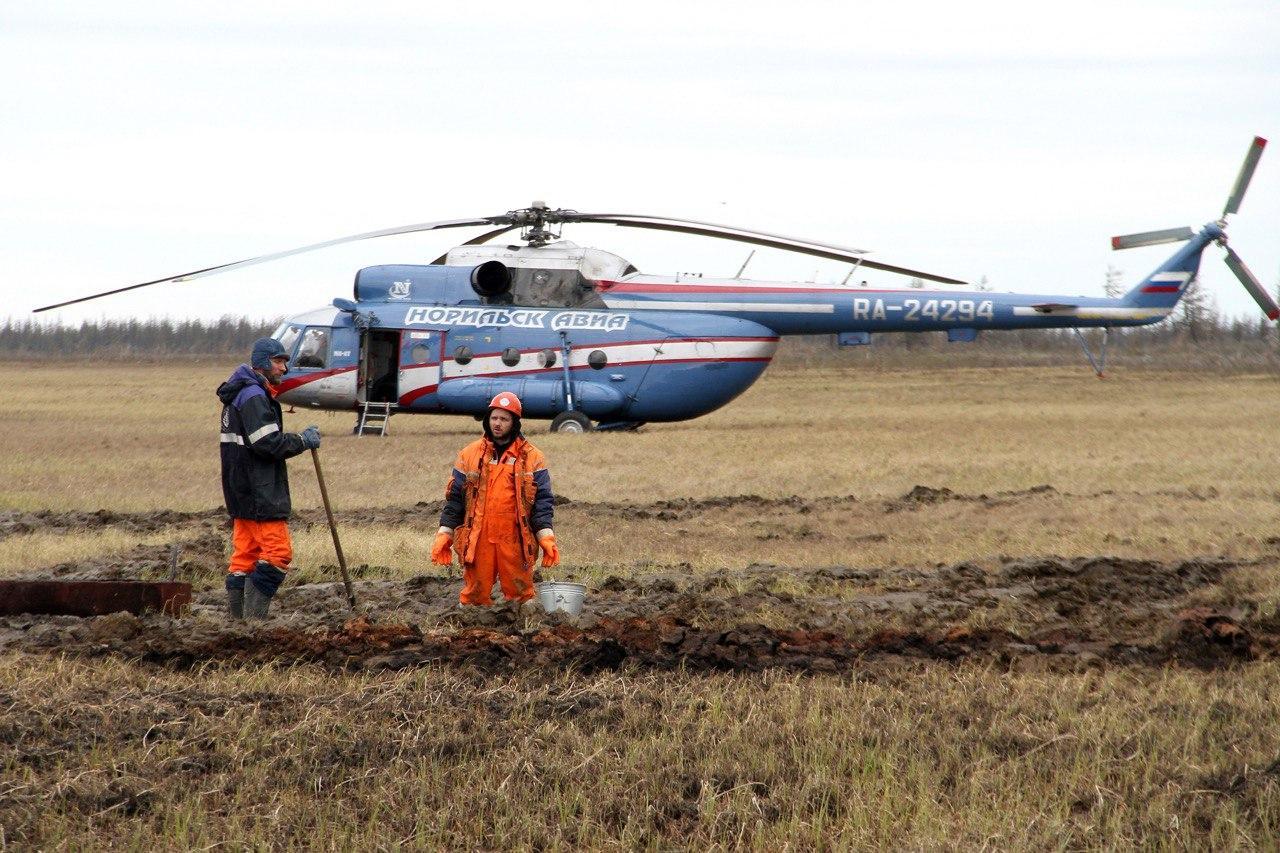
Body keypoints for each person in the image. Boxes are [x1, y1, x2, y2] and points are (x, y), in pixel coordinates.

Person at [217, 337, 321, 620]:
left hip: (240, 489)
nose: (284, 368)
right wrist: (302, 440)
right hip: (260, 490)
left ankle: (237, 624)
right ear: (262, 363)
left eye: (285, 362)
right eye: (278, 361)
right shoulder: (253, 396)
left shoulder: (240, 393)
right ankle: (254, 623)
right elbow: (266, 443)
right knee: (277, 554)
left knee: (244, 557)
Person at [431, 392, 558, 605]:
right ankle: (472, 633)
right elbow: (455, 500)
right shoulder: (469, 454)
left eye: (504, 419)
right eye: (494, 418)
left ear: (515, 422)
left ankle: (522, 632)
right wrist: (445, 533)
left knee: (522, 596)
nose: (497, 424)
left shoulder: (533, 457)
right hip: (479, 537)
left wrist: (546, 537)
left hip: (515, 538)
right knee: (474, 596)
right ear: (487, 419)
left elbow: (543, 502)